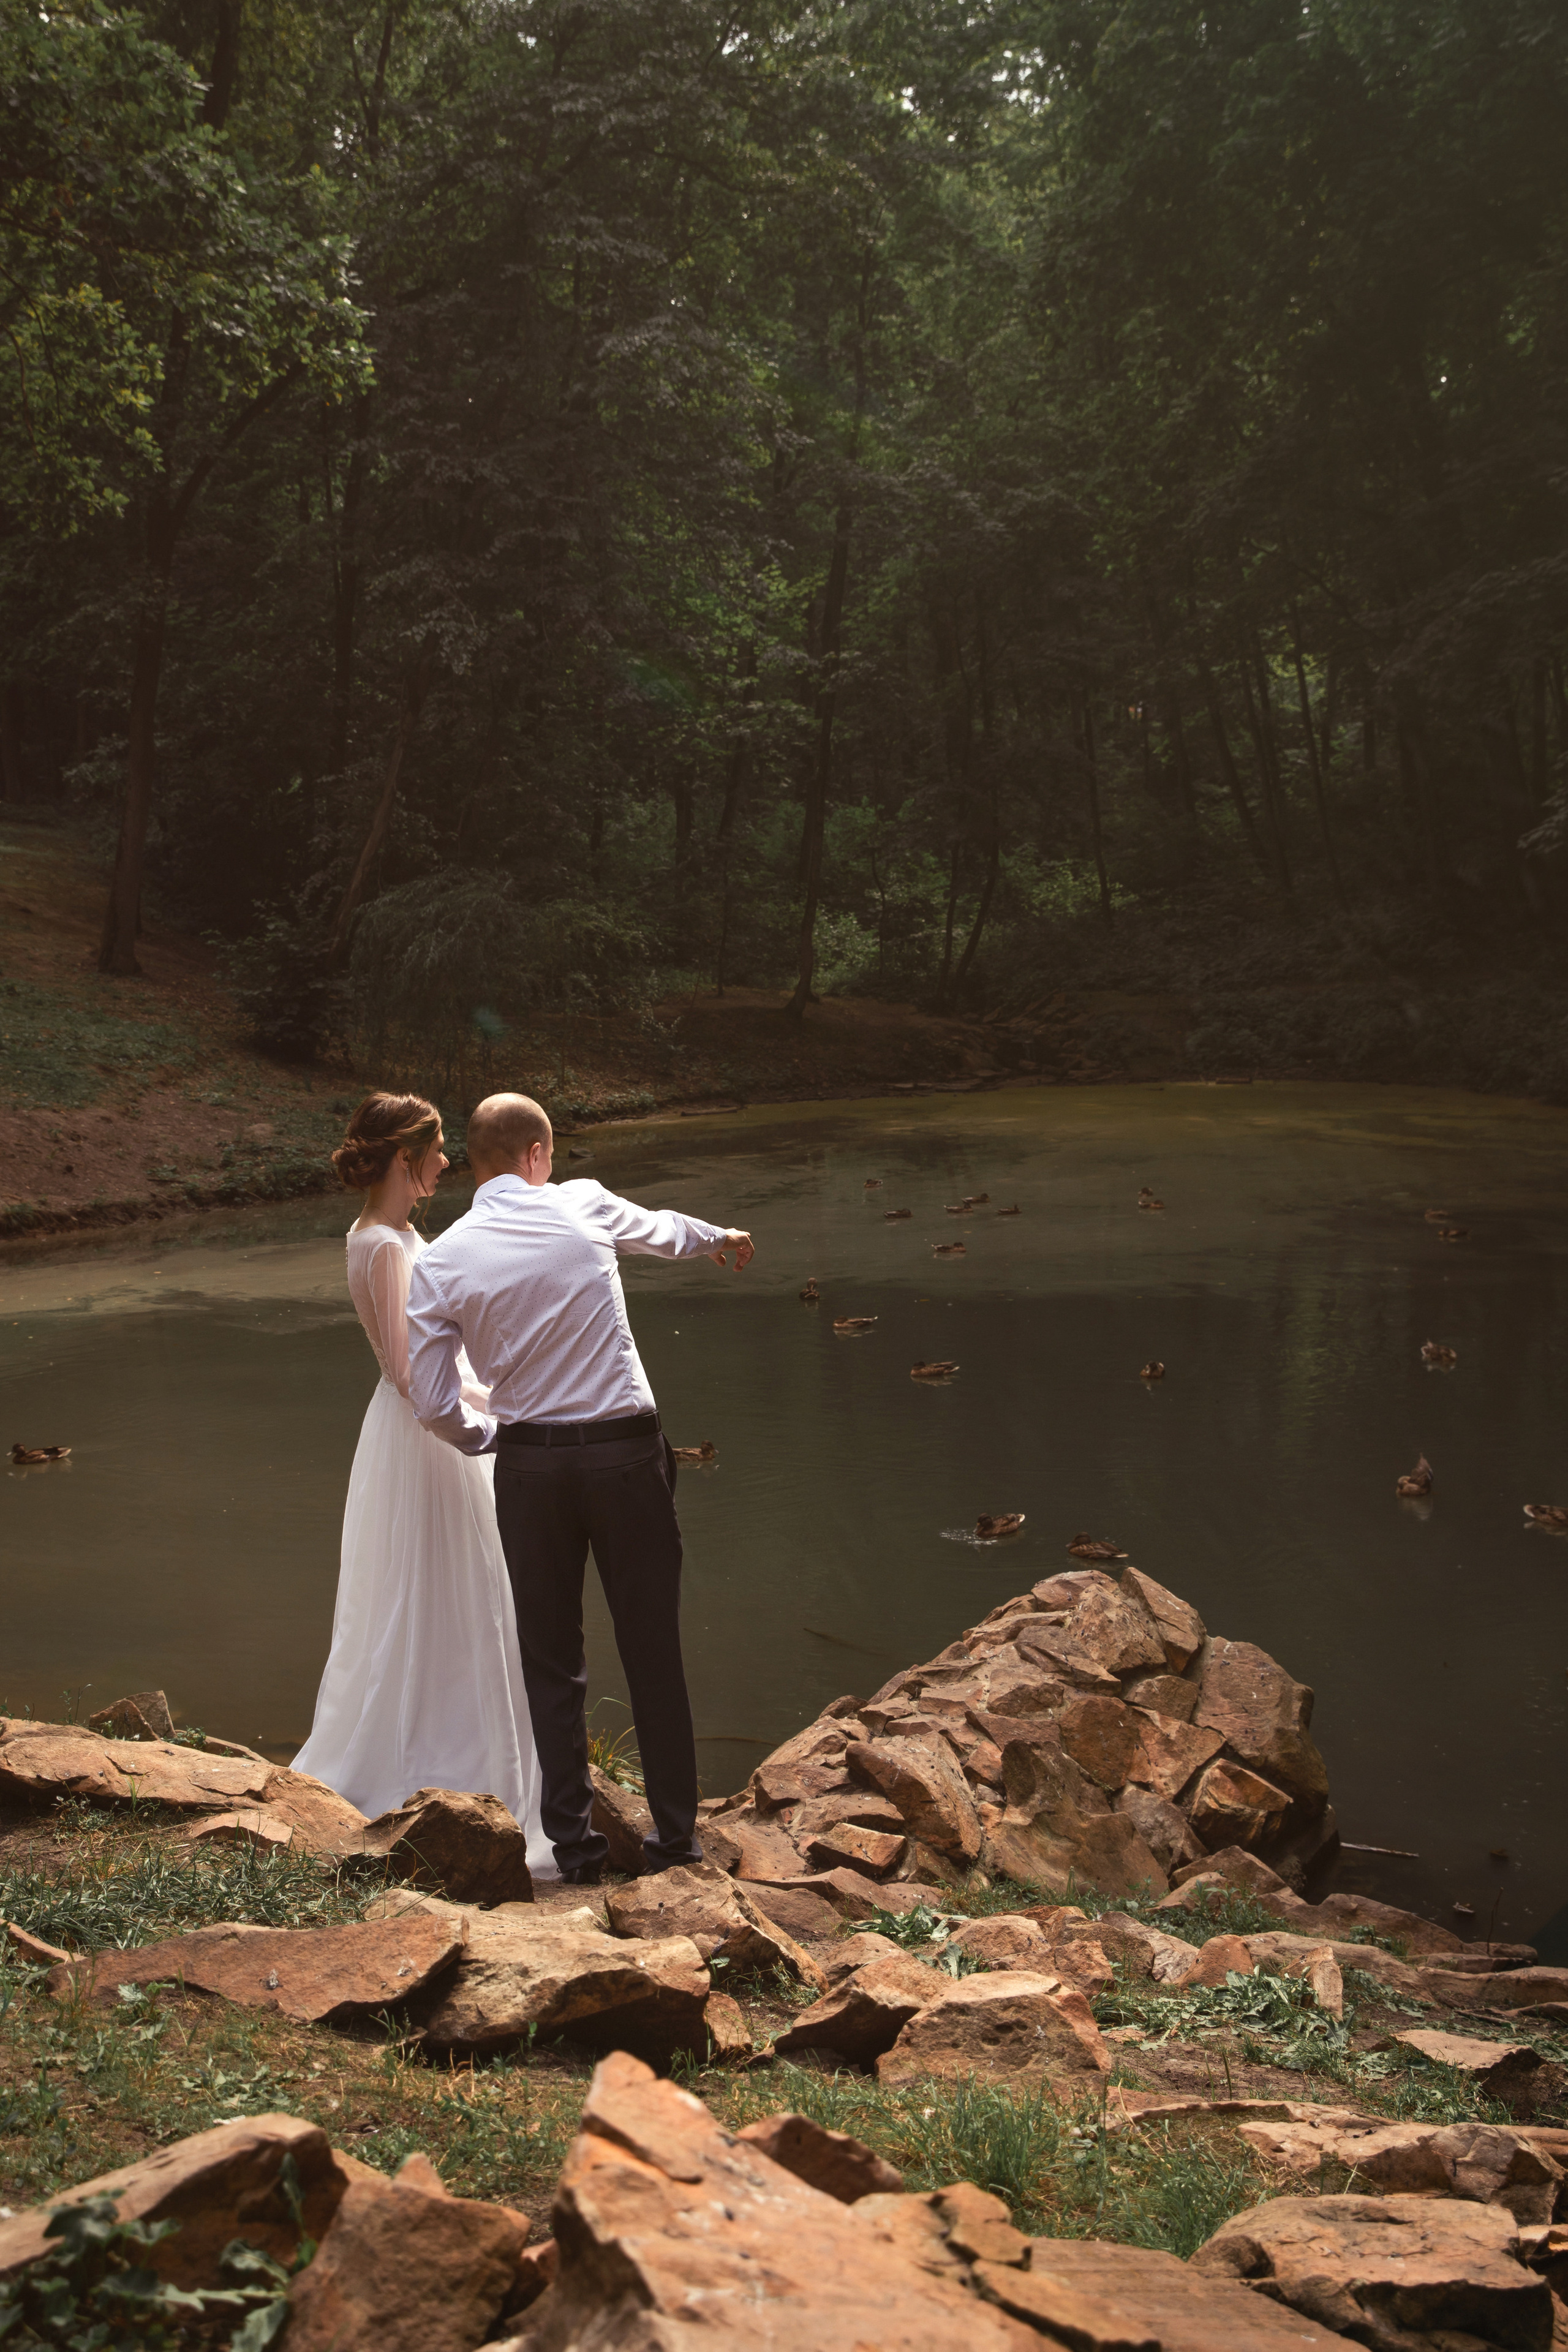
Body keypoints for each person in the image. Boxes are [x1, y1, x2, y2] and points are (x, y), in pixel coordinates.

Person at [407, 1091, 754, 1883]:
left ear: (478, 1160)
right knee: (653, 1652)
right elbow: (665, 1231)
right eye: (550, 1159)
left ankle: (578, 1856)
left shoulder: (442, 1259)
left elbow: (433, 1402)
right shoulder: (582, 1205)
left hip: (530, 1472)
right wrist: (721, 1237)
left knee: (551, 1659)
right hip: (625, 1461)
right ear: (535, 1156)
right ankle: (675, 1846)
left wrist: (497, 1438)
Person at [292, 1092, 548, 1868]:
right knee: (444, 1594)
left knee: (435, 1593)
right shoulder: (384, 1245)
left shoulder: (389, 1233)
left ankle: (454, 1759)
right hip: (425, 1441)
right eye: (436, 1151)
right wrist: (505, 1412)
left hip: (408, 1435)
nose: (446, 1162)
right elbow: (412, 1375)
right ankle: (442, 1770)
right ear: (407, 1159)